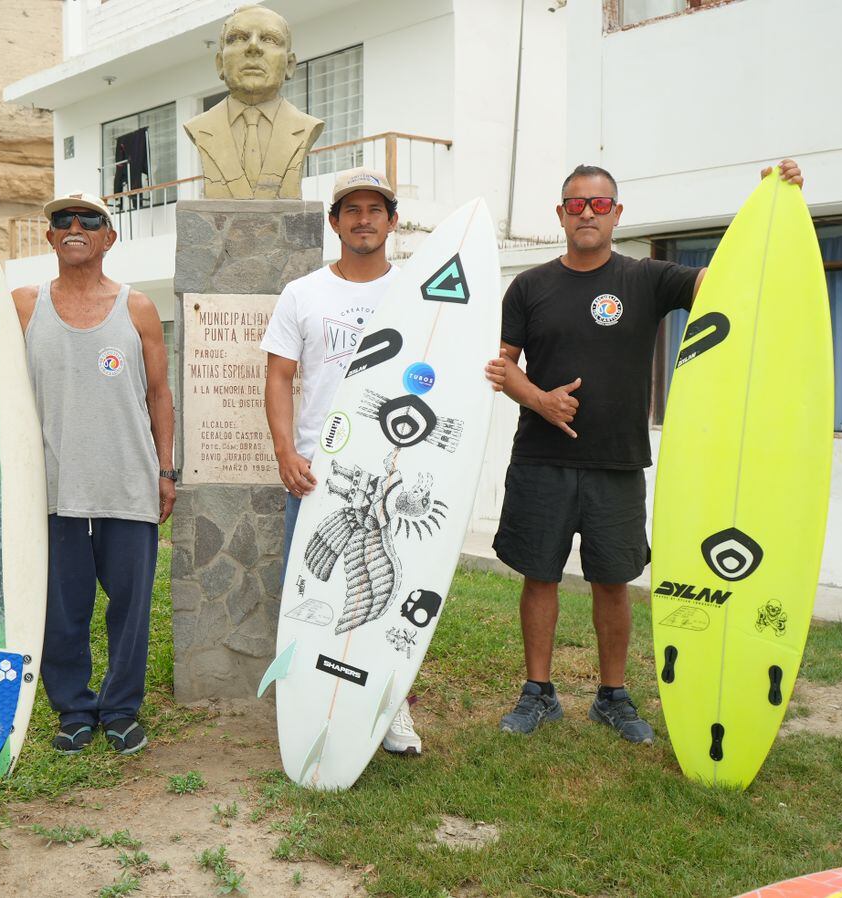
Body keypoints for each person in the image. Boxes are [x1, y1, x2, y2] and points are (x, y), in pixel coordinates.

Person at [485, 159, 805, 743]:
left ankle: (612, 695)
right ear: (560, 214)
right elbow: (502, 366)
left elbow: (727, 278)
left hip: (618, 463)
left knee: (614, 580)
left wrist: (769, 207)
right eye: (576, 204)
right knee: (540, 576)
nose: (587, 213)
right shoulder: (530, 286)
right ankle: (538, 693)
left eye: (599, 204)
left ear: (617, 214)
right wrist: (542, 401)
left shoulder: (646, 279)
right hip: (541, 461)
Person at [0, 190, 177, 756]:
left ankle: (120, 711)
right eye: (62, 221)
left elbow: (159, 394)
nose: (74, 226)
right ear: (49, 238)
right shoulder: (22, 304)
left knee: (131, 610)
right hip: (49, 490)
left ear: (108, 237)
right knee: (60, 612)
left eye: (89, 220)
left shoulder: (137, 308)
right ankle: (73, 709)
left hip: (128, 484)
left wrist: (167, 470)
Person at [259, 167, 422, 756]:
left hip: (394, 476)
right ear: (334, 222)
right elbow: (279, 377)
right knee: (311, 589)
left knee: (387, 589)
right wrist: (285, 452)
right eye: (351, 209)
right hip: (318, 475)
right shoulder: (303, 293)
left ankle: (390, 704)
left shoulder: (416, 290)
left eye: (375, 209)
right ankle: (306, 700)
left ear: (392, 220)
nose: (363, 219)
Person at [184, 3, 324, 200]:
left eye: (270, 39)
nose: (253, 47)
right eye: (239, 38)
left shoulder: (306, 127)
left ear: (290, 65)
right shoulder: (200, 127)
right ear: (220, 64)